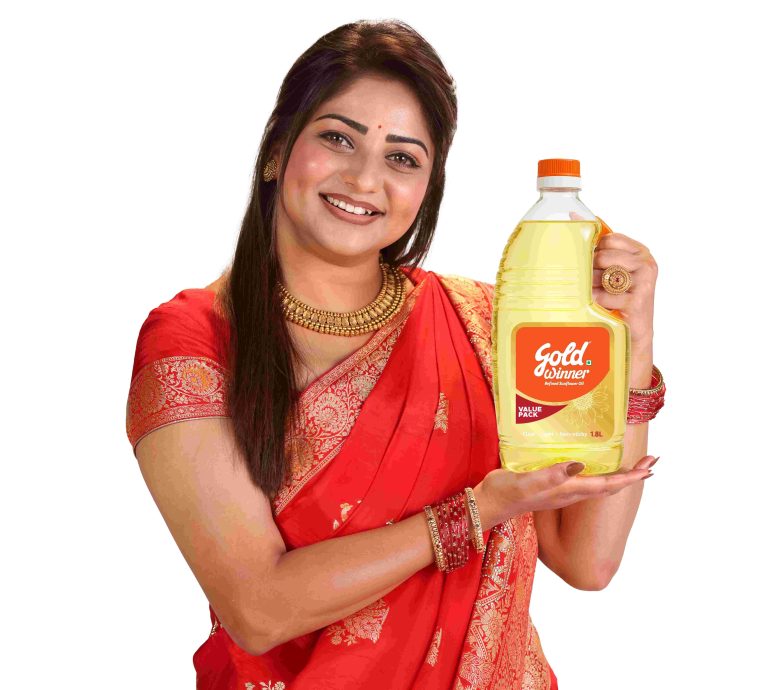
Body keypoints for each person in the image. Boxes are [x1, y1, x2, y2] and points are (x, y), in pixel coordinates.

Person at [125, 19, 664, 690]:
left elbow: (587, 560)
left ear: (427, 188)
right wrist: (476, 512)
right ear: (277, 151)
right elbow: (258, 610)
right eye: (337, 138)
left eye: (402, 159)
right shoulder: (194, 341)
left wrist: (633, 341)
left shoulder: (482, 323)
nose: (364, 178)